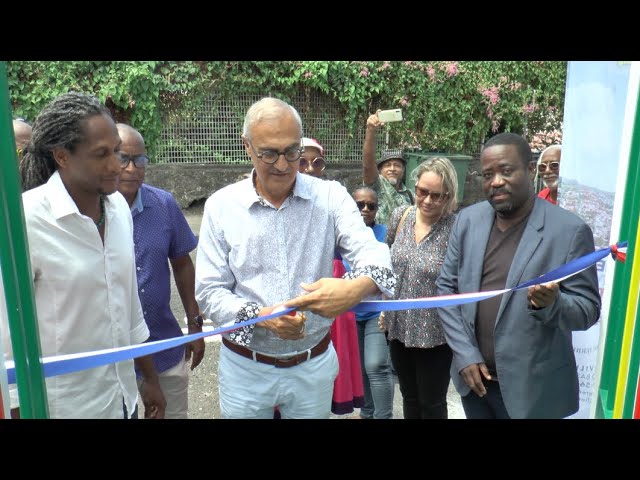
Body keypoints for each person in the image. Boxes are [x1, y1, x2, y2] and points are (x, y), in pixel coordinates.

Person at [195, 97, 394, 419]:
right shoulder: (221, 206)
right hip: (246, 368)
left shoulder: (330, 196)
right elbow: (209, 292)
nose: (284, 165)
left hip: (312, 365)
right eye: (269, 153)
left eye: (291, 152)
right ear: (247, 146)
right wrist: (261, 316)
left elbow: (372, 252)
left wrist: (356, 288)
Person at [12, 91, 165, 419]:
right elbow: (7, 333)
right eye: (101, 155)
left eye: (117, 152)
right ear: (62, 156)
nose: (117, 166)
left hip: (122, 398)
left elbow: (128, 304)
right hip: (64, 406)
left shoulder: (118, 209)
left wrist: (149, 378)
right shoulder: (25, 221)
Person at [436, 133, 600, 419]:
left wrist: (552, 304)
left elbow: (587, 310)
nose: (496, 181)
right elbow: (446, 289)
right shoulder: (467, 220)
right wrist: (465, 354)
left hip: (533, 391)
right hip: (476, 383)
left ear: (530, 169)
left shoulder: (569, 231)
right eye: (488, 174)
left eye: (506, 171)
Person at [116, 123, 205, 419]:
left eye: (140, 160)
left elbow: (182, 264)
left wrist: (194, 324)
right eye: (123, 159)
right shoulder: (91, 211)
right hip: (113, 357)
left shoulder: (163, 204)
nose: (132, 168)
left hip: (163, 346)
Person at [384, 158, 458, 419]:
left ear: (448, 195)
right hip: (398, 328)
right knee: (409, 397)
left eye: (436, 196)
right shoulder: (400, 216)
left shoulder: (457, 229)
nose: (427, 200)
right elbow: (390, 261)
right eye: (421, 192)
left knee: (432, 403)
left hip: (435, 335)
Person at [298, 136, 365, 416]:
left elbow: (362, 244)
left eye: (318, 162)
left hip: (331, 279)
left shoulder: (333, 195)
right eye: (302, 161)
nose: (311, 168)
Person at [345, 186, 394, 419]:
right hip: (349, 313)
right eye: (359, 205)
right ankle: (367, 413)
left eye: (371, 205)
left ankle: (383, 416)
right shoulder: (341, 233)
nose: (365, 209)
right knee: (361, 368)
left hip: (377, 311)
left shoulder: (385, 233)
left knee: (376, 366)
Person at [362, 110, 414, 225]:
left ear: (403, 170)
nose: (392, 169)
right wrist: (371, 131)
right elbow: (368, 165)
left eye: (397, 165)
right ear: (380, 170)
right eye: (387, 165)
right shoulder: (378, 185)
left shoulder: (410, 195)